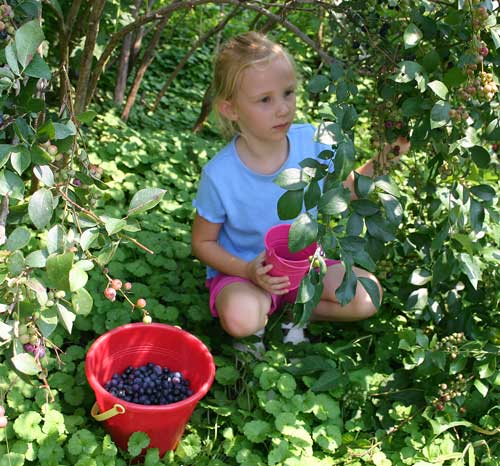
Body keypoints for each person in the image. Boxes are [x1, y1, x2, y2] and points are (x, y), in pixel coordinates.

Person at [191, 31, 408, 345]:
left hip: (304, 268)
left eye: (288, 92)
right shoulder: (220, 174)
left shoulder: (314, 143)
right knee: (241, 316)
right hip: (245, 274)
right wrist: (249, 270)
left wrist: (390, 156)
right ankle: (258, 321)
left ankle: (295, 311)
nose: (282, 108)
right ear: (231, 109)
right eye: (265, 99)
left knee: (366, 296)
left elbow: (345, 192)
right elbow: (203, 243)